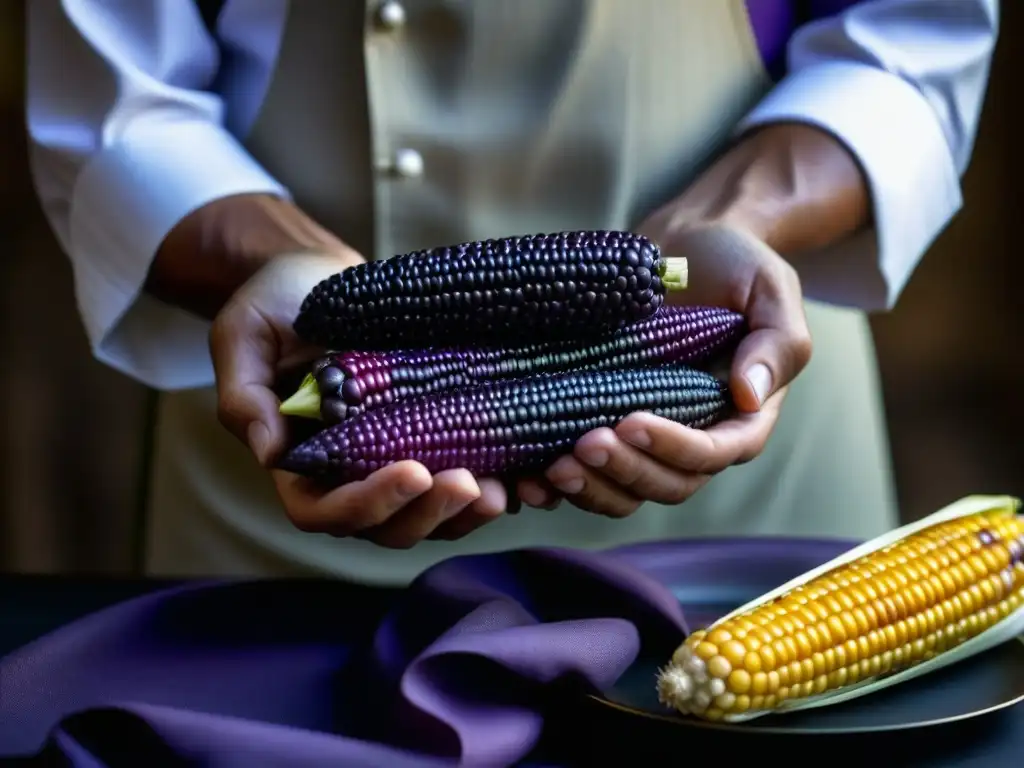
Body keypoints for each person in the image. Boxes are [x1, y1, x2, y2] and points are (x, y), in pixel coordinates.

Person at [25, 0, 997, 585]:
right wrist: (277, 275)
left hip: (742, 462)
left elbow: (907, 39)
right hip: (285, 460)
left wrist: (739, 224)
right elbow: (116, 101)